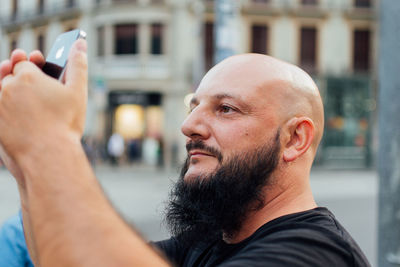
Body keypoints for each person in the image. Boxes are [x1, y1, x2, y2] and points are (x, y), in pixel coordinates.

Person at [0, 40, 370, 266]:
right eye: (193, 106)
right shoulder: (214, 238)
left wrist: (49, 140)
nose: (189, 125)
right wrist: (21, 161)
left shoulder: (316, 253)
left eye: (226, 108)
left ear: (294, 139)